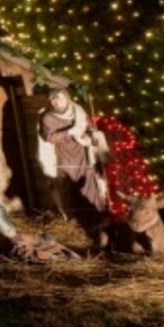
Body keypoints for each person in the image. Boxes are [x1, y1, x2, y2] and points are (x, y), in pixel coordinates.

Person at [38, 88, 109, 225]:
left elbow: (89, 127)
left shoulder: (78, 111)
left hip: (83, 153)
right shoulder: (48, 117)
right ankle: (77, 219)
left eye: (57, 98)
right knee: (70, 185)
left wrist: (91, 134)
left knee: (89, 181)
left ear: (66, 98)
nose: (54, 102)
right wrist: (70, 131)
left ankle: (96, 215)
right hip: (65, 156)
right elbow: (49, 137)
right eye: (51, 99)